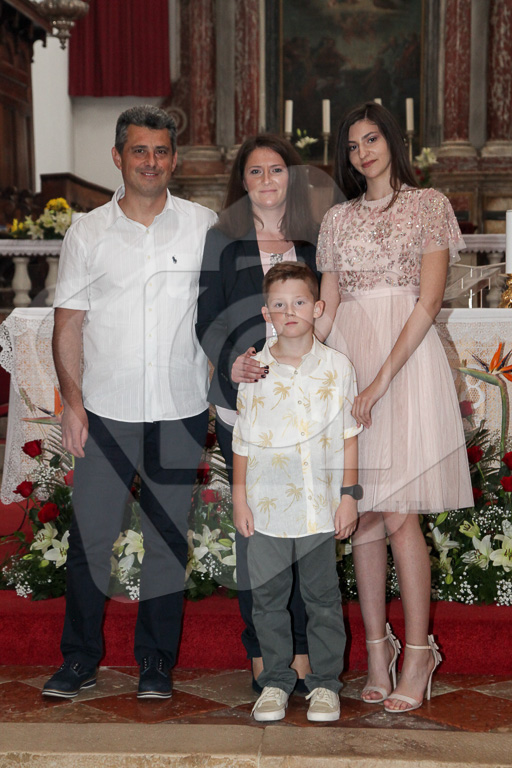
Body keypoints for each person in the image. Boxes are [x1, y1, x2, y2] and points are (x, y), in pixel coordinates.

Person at [42, 105, 216, 700]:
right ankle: (79, 659)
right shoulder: (87, 232)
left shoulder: (203, 226)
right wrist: (72, 404)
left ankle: (156, 663)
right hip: (105, 410)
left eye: (161, 151)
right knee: (92, 537)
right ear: (118, 156)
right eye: (139, 150)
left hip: (179, 407)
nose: (151, 161)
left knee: (167, 538)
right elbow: (68, 324)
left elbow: (218, 318)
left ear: (175, 159)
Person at [316, 101, 473, 713]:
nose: (363, 153)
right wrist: (287, 344)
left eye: (372, 139)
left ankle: (418, 654)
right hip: (350, 362)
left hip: (405, 366)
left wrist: (379, 382)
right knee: (364, 515)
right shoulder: (336, 219)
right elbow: (328, 310)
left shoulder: (428, 205)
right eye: (353, 145)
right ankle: (377, 655)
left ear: (392, 141)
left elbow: (428, 302)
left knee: (401, 513)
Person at [196, 135, 319, 693]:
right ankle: (262, 649)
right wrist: (231, 361)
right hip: (243, 405)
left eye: (276, 169)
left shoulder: (313, 240)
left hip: (304, 409)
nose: (267, 180)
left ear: (291, 177)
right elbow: (207, 317)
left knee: (304, 529)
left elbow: (328, 315)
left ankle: (300, 648)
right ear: (241, 182)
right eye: (255, 171)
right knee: (255, 531)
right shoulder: (222, 240)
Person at [232, 262, 362, 722]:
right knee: (267, 600)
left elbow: (349, 435)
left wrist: (348, 495)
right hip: (267, 508)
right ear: (266, 312)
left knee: (322, 599)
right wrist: (239, 498)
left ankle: (325, 684)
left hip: (319, 507)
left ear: (318, 308)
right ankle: (275, 682)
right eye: (280, 304)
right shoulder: (255, 370)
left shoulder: (337, 367)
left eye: (300, 302)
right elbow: (243, 440)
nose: (290, 312)